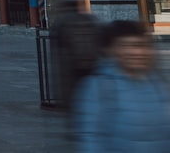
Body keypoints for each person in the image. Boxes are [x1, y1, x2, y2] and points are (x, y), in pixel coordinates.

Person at [73, 20, 170, 151]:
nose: (137, 52)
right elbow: (92, 137)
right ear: (111, 50)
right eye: (127, 46)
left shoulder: (157, 82)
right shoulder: (100, 86)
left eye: (142, 45)